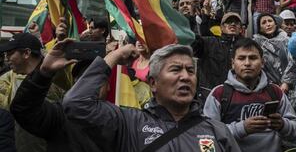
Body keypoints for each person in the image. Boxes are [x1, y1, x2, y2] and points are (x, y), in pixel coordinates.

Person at [63, 44, 241, 151]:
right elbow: (76, 103)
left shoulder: (218, 131)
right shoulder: (129, 123)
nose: (185, 77)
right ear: (153, 83)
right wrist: (114, 56)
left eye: (190, 70)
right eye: (175, 70)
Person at [10, 39, 112, 152]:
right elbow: (23, 110)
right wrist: (43, 73)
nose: (89, 87)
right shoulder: (61, 116)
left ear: (108, 85)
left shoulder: (120, 119)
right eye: (82, 81)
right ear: (74, 85)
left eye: (96, 81)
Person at [203, 38, 296, 152]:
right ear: (233, 63)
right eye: (241, 58)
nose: (247, 63)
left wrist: (283, 125)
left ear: (262, 62)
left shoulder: (275, 92)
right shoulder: (219, 94)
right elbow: (207, 136)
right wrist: (242, 128)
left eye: (253, 58)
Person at [0, 33, 63, 152]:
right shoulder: (10, 78)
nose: (6, 58)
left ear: (26, 53)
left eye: (10, 53)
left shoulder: (59, 78)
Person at [191, 12, 244, 102]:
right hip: (209, 98)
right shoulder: (208, 43)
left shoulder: (247, 47)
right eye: (228, 22)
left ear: (241, 29)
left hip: (238, 99)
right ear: (221, 28)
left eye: (236, 22)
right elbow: (191, 41)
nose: (233, 24)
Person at [253, 14, 296, 109]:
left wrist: (286, 82)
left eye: (270, 21)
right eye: (264, 22)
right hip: (266, 88)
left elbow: (294, 61)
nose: (268, 24)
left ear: (275, 24)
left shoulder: (286, 40)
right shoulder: (255, 44)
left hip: (287, 87)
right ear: (259, 28)